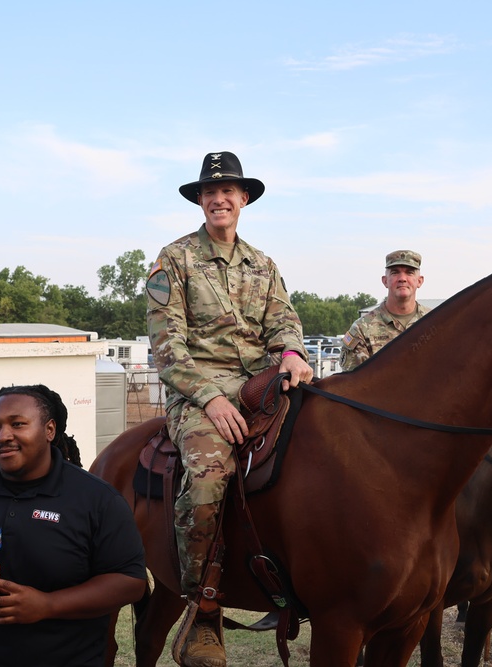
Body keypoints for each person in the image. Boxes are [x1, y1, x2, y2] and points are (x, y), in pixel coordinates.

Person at [145, 151, 313, 667]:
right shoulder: (173, 260)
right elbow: (166, 345)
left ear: (244, 200)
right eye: (210, 192)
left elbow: (284, 322)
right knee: (209, 473)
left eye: (229, 192)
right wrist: (211, 398)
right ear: (201, 201)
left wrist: (292, 354)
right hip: (198, 390)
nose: (220, 199)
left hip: (262, 384)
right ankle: (203, 606)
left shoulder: (263, 264)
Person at [0, 385, 147, 667]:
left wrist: (48, 605)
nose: (3, 436)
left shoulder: (96, 499)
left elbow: (130, 582)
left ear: (49, 430)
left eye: (18, 424)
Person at [339, 249, 430, 372]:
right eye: (395, 273)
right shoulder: (362, 329)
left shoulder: (435, 321)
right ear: (385, 281)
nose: (402, 278)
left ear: (420, 281)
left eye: (409, 273)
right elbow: (354, 385)